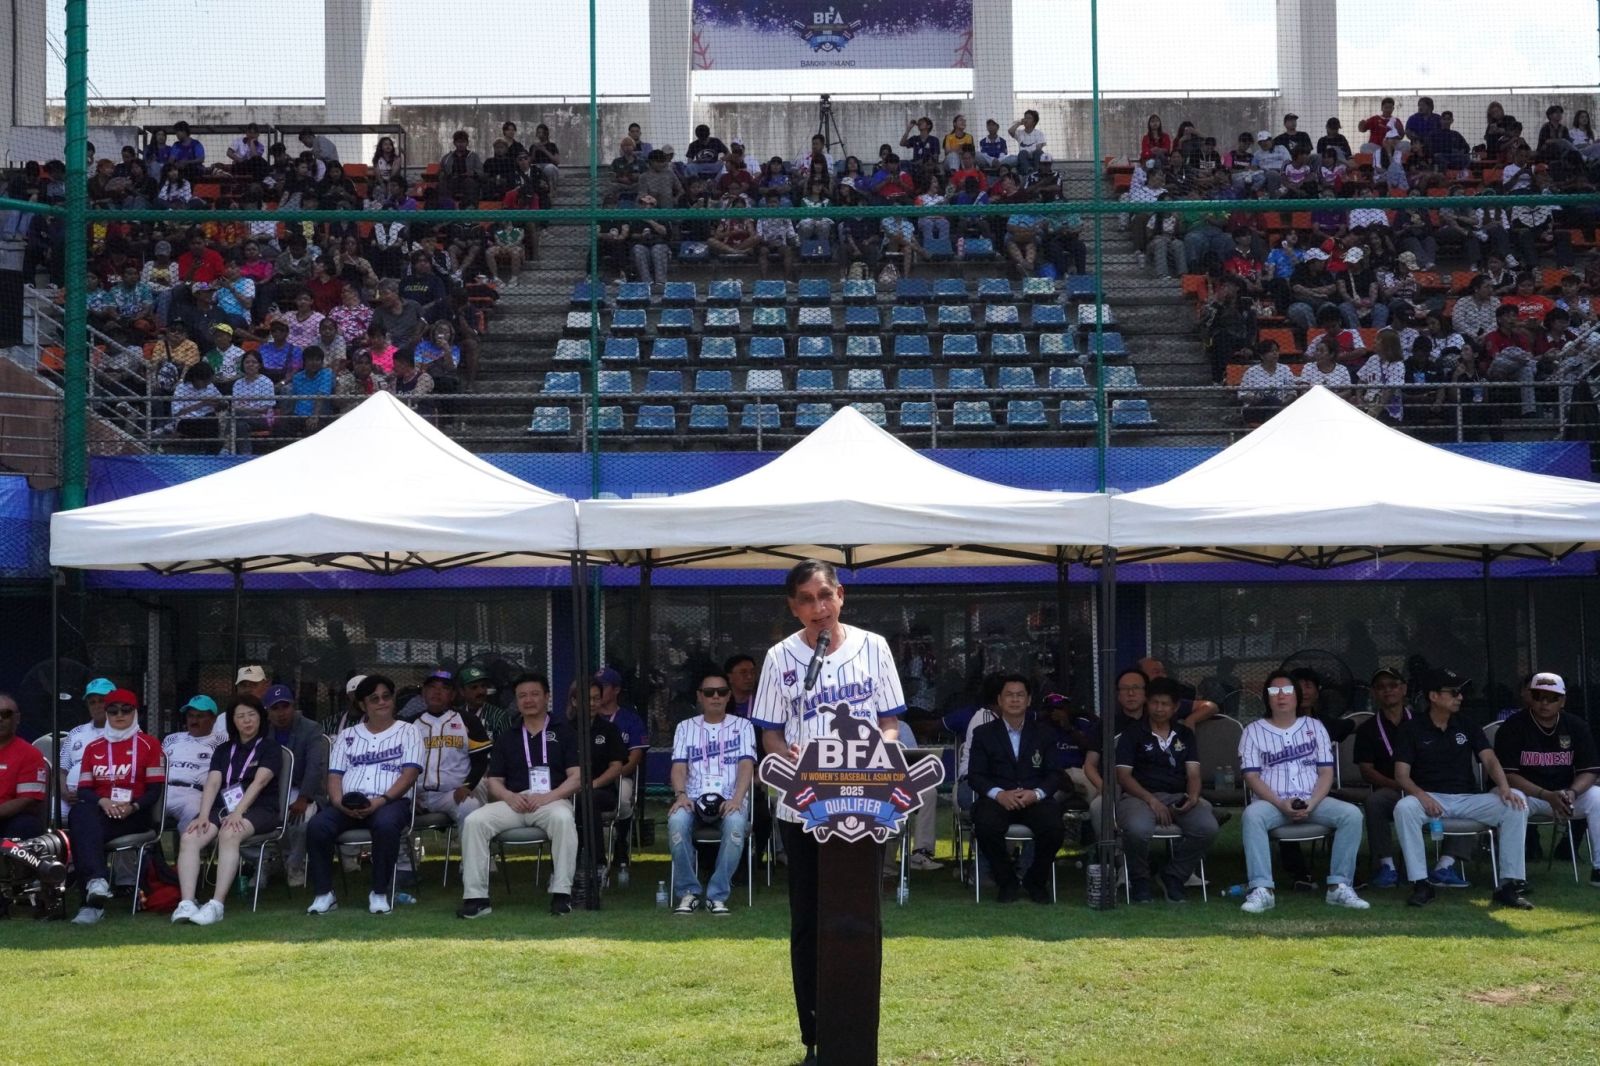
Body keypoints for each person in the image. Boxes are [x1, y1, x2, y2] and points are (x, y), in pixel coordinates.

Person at [751, 559, 905, 1064]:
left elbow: (890, 722)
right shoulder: (780, 657)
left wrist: (878, 753)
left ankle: (856, 1037)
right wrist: (785, 755)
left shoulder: (874, 647)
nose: (818, 608)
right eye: (807, 600)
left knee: (861, 921)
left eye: (825, 596)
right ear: (793, 607)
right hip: (804, 807)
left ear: (841, 596)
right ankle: (814, 1036)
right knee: (809, 922)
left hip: (864, 804)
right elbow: (771, 732)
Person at [1393, 668, 1533, 909]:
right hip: (1430, 798)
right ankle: (1421, 884)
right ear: (1434, 696)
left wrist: (1504, 787)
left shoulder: (1467, 724)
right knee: (1404, 808)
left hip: (1468, 799)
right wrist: (1422, 796)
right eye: (1453, 692)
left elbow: (1489, 759)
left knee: (1515, 803)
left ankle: (1508, 885)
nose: (1460, 697)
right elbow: (1401, 775)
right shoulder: (1411, 728)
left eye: (1460, 692)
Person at [1236, 673, 1370, 914]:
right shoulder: (1253, 731)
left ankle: (1339, 886)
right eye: (1274, 692)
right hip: (1272, 803)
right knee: (1252, 815)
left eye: (1287, 690)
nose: (1281, 696)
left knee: (1351, 814)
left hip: (1313, 799)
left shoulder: (1315, 726)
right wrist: (1280, 803)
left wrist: (1312, 802)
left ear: (1297, 697)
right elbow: (1251, 777)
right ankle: (1262, 889)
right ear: (1267, 698)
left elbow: (1326, 773)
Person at [455, 673, 580, 919]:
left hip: (552, 800)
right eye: (522, 696)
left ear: (547, 697)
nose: (528, 700)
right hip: (515, 802)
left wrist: (548, 797)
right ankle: (476, 898)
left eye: (534, 694)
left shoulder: (564, 731)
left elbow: (576, 778)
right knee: (474, 821)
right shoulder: (508, 735)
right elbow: (494, 781)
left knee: (564, 819)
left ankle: (562, 894)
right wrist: (509, 797)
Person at [304, 675, 423, 916]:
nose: (382, 702)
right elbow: (334, 776)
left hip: (390, 802)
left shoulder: (410, 731)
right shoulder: (348, 735)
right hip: (348, 804)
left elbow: (409, 775)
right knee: (317, 826)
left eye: (386, 697)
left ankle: (379, 893)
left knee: (386, 825)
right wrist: (338, 803)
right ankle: (324, 894)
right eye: (374, 699)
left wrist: (381, 801)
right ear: (362, 705)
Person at [171, 695, 282, 926]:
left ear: (261, 718)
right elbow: (213, 783)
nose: (247, 721)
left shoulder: (270, 747)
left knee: (229, 833)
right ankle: (187, 902)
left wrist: (239, 811)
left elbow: (260, 782)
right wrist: (203, 815)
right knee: (190, 836)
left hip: (260, 808)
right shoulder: (223, 749)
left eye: (251, 715)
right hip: (224, 807)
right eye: (240, 716)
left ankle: (217, 904)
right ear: (233, 721)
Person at [1113, 677, 1219, 903]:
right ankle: (1140, 879)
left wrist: (1193, 797)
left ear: (1175, 707)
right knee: (1137, 830)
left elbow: (1193, 774)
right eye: (1154, 703)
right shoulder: (1132, 733)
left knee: (1207, 828)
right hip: (1138, 797)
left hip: (1177, 796)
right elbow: (1123, 776)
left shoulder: (1185, 734)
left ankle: (1174, 875)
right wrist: (1152, 801)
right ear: (1147, 703)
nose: (1159, 709)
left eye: (1165, 704)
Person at [67, 688, 165, 924]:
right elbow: (84, 790)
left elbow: (154, 791)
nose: (119, 715)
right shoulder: (93, 747)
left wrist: (132, 806)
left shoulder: (150, 745)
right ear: (106, 713)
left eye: (126, 710)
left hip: (135, 814)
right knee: (80, 814)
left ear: (135, 713)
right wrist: (104, 802)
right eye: (113, 710)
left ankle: (91, 902)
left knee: (84, 831)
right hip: (102, 811)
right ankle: (96, 884)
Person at [1493, 672, 1600, 887]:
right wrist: (1545, 795)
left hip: (1563, 795)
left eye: (1551, 698)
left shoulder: (1576, 725)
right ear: (1530, 697)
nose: (1544, 703)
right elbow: (1508, 775)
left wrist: (1573, 792)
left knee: (1598, 797)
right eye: (1538, 696)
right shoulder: (1513, 726)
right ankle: (1513, 877)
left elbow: (1589, 770)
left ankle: (1599, 869)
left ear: (1563, 701)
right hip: (1528, 795)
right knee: (1513, 800)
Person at [967, 674, 1064, 904]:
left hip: (1034, 799)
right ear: (999, 700)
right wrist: (999, 794)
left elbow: (1055, 774)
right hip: (998, 799)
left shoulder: (1045, 733)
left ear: (1029, 700)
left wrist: (1036, 794)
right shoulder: (983, 734)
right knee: (985, 826)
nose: (1015, 700)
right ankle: (1006, 881)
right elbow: (975, 776)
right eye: (1009, 695)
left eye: (1020, 695)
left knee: (1054, 828)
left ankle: (1035, 880)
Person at [667, 671, 756, 915]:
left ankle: (717, 895)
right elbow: (679, 767)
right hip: (693, 797)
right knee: (676, 822)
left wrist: (737, 798)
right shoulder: (684, 727)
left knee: (736, 825)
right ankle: (688, 892)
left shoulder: (744, 726)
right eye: (709, 692)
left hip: (730, 797)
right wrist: (681, 794)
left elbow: (746, 765)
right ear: (700, 696)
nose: (715, 696)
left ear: (728, 696)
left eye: (721, 692)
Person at [263, 684, 326, 888]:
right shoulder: (263, 730)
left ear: (293, 706)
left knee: (300, 821)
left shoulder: (311, 728)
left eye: (285, 706)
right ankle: (267, 863)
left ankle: (295, 866)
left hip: (302, 789)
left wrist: (304, 798)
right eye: (275, 708)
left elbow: (315, 767)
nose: (281, 713)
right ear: (267, 711)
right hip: (271, 790)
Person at [412, 670, 492, 824]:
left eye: (444, 688)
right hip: (416, 795)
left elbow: (480, 761)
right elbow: (398, 765)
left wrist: (467, 786)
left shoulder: (468, 721)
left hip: (450, 794)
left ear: (453, 695)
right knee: (391, 812)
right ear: (423, 692)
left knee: (470, 807)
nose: (437, 692)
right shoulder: (409, 724)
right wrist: (407, 795)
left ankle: (472, 842)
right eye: (432, 687)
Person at [592, 666, 647, 881]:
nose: (598, 691)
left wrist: (610, 776)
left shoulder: (630, 719)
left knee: (623, 798)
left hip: (620, 776)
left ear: (616, 690)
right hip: (588, 778)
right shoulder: (586, 718)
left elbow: (634, 759)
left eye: (603, 687)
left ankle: (621, 843)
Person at [161, 695, 225, 832]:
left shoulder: (222, 741)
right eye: (190, 716)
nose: (194, 721)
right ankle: (149, 845)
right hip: (164, 790)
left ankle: (186, 845)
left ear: (213, 719)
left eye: (200, 716)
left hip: (194, 793)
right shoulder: (171, 739)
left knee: (195, 820)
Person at [59, 678, 113, 818]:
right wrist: (64, 793)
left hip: (103, 799)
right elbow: (61, 771)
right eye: (92, 702)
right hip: (69, 798)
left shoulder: (125, 732)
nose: (97, 706)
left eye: (102, 701)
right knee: (50, 816)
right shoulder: (76, 732)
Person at [0, 690, 47, 838]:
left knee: (26, 824)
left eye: (6, 714)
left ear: (17, 718)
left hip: (9, 821)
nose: (0, 719)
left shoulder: (30, 754)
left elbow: (27, 801)